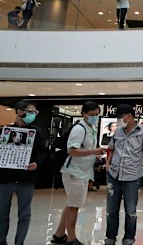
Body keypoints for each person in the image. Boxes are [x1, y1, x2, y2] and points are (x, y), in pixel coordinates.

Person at [51, 101, 106, 245]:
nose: (95, 117)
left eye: (97, 115)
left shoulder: (90, 128)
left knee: (71, 204)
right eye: (92, 115)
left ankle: (59, 234)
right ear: (83, 114)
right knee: (74, 206)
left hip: (82, 172)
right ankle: (71, 238)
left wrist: (95, 153)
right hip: (74, 172)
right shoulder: (79, 129)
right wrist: (94, 151)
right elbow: (72, 150)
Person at [104, 104, 143, 245]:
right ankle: (110, 236)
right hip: (114, 175)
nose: (119, 120)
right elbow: (111, 148)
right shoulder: (118, 132)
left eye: (121, 117)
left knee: (130, 211)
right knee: (111, 210)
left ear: (129, 116)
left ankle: (129, 238)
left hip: (132, 177)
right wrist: (107, 164)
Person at [0, 101, 47, 245]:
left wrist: (37, 163)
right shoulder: (4, 131)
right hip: (5, 178)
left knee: (24, 214)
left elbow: (43, 152)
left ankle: (19, 242)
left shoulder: (37, 132)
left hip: (26, 178)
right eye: (30, 111)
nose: (33, 115)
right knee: (2, 214)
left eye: (35, 113)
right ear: (19, 112)